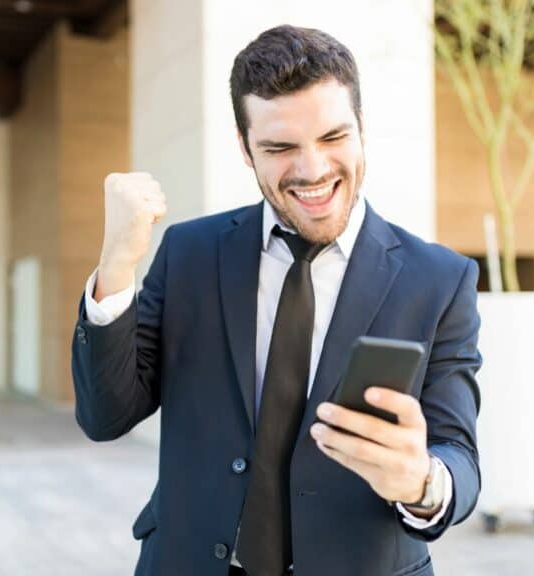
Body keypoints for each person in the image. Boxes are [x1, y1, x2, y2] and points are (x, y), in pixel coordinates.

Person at [71, 24, 481, 576]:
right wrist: (117, 265)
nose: (313, 170)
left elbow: (458, 451)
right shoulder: (190, 253)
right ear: (245, 148)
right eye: (281, 147)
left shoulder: (439, 279)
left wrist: (423, 481)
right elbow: (106, 415)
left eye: (333, 137)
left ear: (361, 127)